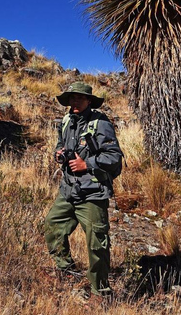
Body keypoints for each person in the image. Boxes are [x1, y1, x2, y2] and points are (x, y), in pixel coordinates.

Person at [44, 81, 123, 300]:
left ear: (89, 100)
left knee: (97, 245)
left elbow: (114, 157)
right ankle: (67, 270)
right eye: (72, 98)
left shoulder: (101, 123)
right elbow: (59, 145)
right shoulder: (66, 121)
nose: (75, 101)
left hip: (93, 193)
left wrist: (86, 164)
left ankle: (101, 292)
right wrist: (58, 155)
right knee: (53, 227)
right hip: (68, 190)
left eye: (79, 98)